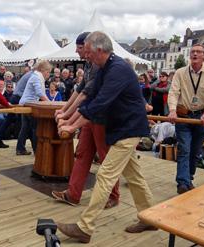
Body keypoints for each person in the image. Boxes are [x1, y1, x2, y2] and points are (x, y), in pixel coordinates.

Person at [55, 31, 156, 244]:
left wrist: (71, 125)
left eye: (89, 51)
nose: (86, 55)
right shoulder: (103, 67)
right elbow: (89, 98)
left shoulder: (118, 69)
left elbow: (99, 104)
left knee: (105, 176)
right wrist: (68, 120)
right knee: (135, 178)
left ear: (100, 50)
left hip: (128, 130)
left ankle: (85, 227)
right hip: (120, 129)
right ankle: (150, 217)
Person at [52, 31, 120, 210]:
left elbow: (86, 94)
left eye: (81, 48)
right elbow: (79, 90)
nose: (78, 52)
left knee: (107, 158)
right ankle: (73, 194)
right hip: (89, 116)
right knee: (82, 153)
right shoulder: (90, 65)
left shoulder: (100, 65)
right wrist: (64, 112)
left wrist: (68, 119)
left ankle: (113, 195)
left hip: (102, 117)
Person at [167, 43, 204, 194]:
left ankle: (188, 177)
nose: (195, 54)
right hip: (183, 116)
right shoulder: (180, 72)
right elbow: (173, 92)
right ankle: (182, 183)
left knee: (195, 150)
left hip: (202, 117)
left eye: (199, 52)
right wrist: (172, 110)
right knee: (184, 148)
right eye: (193, 51)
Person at [16, 60, 51, 155]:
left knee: (25, 128)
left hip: (26, 103)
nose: (48, 74)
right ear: (43, 71)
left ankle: (20, 149)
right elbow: (39, 93)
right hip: (28, 104)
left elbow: (39, 93)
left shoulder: (35, 76)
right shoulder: (36, 78)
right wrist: (50, 103)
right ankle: (37, 150)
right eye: (48, 72)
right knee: (35, 127)